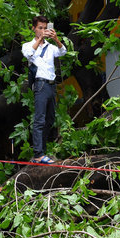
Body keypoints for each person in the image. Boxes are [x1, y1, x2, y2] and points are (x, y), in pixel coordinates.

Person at [21, 15, 69, 164]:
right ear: (34, 28)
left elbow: (63, 52)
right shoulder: (28, 45)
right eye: (40, 28)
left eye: (45, 28)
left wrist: (55, 39)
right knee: (39, 120)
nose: (42, 30)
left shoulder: (50, 47)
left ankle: (41, 152)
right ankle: (38, 154)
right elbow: (28, 55)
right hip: (40, 84)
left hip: (51, 85)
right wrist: (40, 39)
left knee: (50, 119)